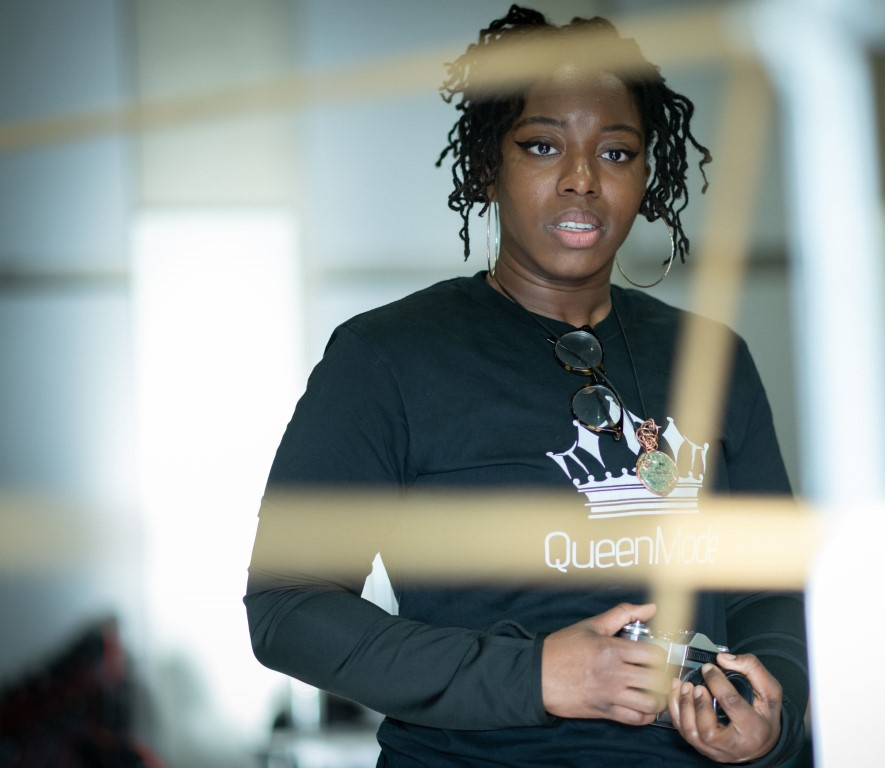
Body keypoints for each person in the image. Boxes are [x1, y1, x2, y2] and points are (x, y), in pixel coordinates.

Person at [245, 5, 808, 766]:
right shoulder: (387, 358)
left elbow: (771, 587)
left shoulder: (714, 358)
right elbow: (287, 608)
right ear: (487, 165)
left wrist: (774, 715)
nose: (581, 180)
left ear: (647, 176)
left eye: (616, 152)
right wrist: (534, 676)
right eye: (542, 145)